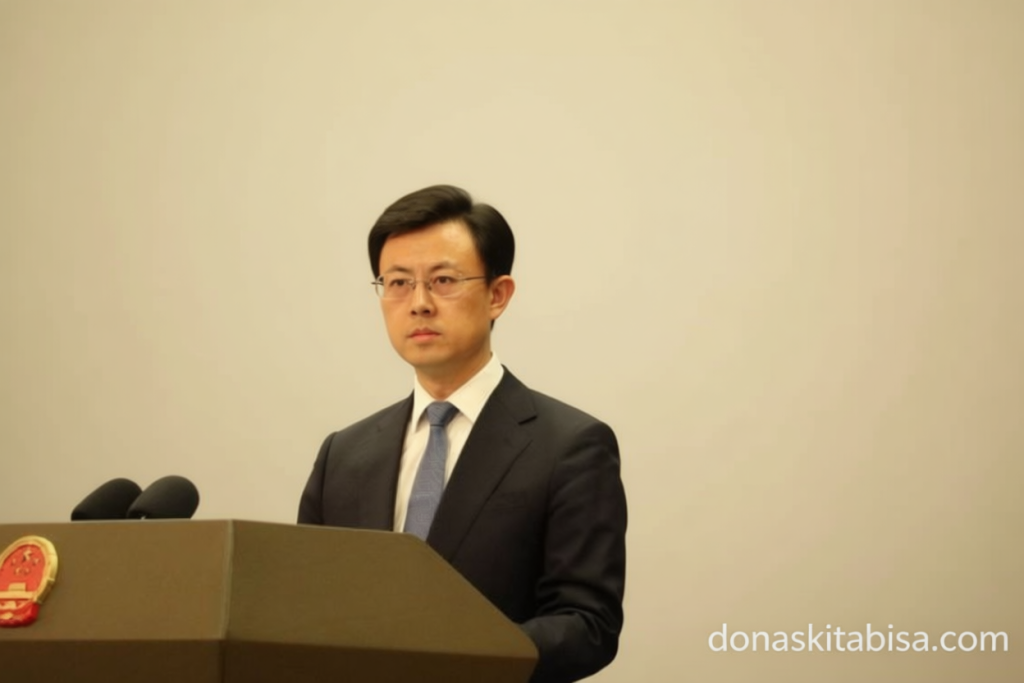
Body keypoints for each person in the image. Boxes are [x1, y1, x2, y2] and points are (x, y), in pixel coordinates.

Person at [298, 184, 627, 683]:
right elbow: (304, 607)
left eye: (444, 280)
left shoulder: (570, 446)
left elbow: (587, 625)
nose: (419, 303)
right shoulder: (343, 455)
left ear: (497, 295)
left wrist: (457, 656)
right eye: (398, 282)